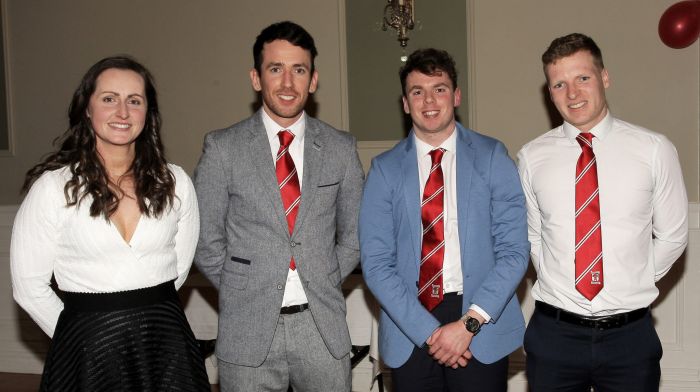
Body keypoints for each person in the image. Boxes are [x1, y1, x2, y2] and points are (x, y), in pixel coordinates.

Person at [10, 56, 209, 391]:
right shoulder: (52, 188)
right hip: (88, 352)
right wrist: (78, 338)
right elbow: (28, 287)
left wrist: (143, 319)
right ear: (87, 109)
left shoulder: (175, 182)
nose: (123, 112)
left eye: (134, 101)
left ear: (148, 112)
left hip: (166, 345)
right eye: (109, 99)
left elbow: (177, 269)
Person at [193, 21, 364, 391]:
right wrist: (245, 288)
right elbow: (205, 239)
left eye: (298, 70)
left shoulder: (341, 148)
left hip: (321, 328)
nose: (288, 83)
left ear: (313, 80)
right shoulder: (223, 148)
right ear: (256, 78)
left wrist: (322, 276)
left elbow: (355, 236)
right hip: (247, 328)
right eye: (276, 69)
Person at [517, 33, 688, 391]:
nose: (572, 93)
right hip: (554, 335)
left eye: (583, 78)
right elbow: (533, 236)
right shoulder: (532, 157)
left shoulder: (654, 149)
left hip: (630, 337)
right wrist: (555, 276)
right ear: (549, 93)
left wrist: (634, 277)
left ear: (604, 77)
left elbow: (673, 235)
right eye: (559, 84)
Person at [359, 48, 530, 392]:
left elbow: (514, 252)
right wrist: (432, 333)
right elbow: (376, 264)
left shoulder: (493, 156)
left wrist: (467, 325)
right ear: (405, 103)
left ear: (456, 95)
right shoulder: (384, 169)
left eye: (439, 88)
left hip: (480, 316)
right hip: (410, 322)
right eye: (417, 92)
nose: (429, 100)